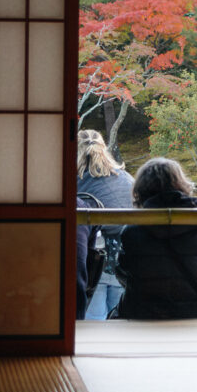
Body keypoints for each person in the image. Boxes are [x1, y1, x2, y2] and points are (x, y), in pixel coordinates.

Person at [115, 158, 197, 320]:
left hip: (142, 316)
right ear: (182, 184)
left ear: (140, 189)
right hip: (192, 316)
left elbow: (123, 272)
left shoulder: (132, 231)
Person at [76, 129, 134, 319]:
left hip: (94, 258)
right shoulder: (125, 178)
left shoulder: (75, 181)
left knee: (94, 323)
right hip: (126, 257)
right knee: (121, 321)